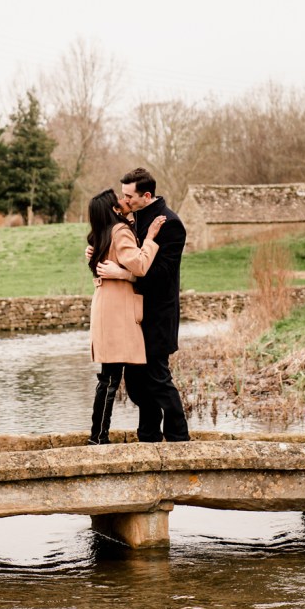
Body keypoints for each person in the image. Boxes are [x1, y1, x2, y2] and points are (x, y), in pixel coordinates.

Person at [99, 167, 190, 443]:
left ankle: (178, 438)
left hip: (158, 315)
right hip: (133, 315)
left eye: (129, 196)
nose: (124, 201)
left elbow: (162, 275)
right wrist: (96, 250)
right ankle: (148, 437)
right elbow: (119, 249)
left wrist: (124, 274)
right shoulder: (132, 219)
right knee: (137, 385)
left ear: (146, 195)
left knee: (158, 379)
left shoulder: (171, 224)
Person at [86, 188, 166, 444]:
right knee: (110, 378)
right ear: (114, 209)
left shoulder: (103, 232)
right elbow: (140, 265)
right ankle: (99, 438)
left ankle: (100, 436)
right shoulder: (119, 232)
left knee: (110, 376)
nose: (123, 200)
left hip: (106, 307)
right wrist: (151, 237)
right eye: (119, 200)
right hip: (117, 312)